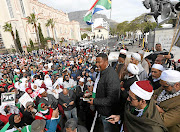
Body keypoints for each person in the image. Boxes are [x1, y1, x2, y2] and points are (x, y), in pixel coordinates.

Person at [88, 53, 120, 132]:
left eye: (99, 62)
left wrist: (94, 101)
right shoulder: (103, 72)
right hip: (103, 112)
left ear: (106, 62)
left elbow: (111, 100)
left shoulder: (111, 76)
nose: (97, 65)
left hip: (108, 114)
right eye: (96, 62)